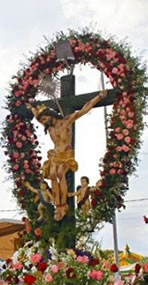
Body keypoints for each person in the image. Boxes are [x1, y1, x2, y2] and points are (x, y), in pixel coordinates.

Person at [27, 89, 107, 220]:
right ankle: (57, 204)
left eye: (46, 117)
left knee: (60, 174)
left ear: (51, 114)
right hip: (55, 154)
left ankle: (63, 204)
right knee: (52, 176)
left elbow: (83, 110)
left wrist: (98, 97)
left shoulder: (66, 121)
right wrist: (32, 107)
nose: (44, 121)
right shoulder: (49, 126)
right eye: (43, 119)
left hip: (66, 155)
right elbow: (37, 117)